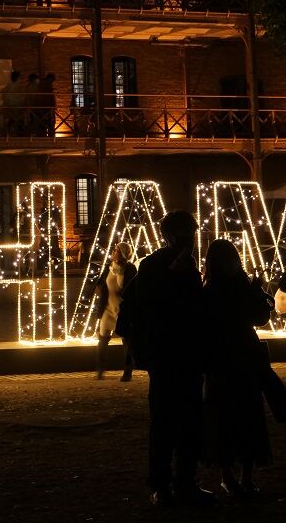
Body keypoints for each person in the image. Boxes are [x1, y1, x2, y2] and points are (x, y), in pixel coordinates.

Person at [116, 209, 213, 507]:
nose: (190, 240)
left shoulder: (182, 265)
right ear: (170, 236)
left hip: (185, 356)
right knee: (166, 423)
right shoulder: (156, 265)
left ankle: (183, 482)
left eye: (192, 233)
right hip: (168, 355)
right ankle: (163, 485)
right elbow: (148, 306)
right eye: (185, 234)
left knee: (187, 422)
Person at [201, 239, 273, 496]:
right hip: (238, 354)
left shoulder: (208, 290)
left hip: (222, 357)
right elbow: (259, 317)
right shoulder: (238, 286)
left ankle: (231, 475)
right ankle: (242, 476)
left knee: (225, 417)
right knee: (244, 415)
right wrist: (256, 292)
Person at [93, 244, 136, 381]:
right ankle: (100, 369)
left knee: (127, 341)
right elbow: (101, 281)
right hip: (108, 309)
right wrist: (98, 287)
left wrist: (120, 272)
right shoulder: (109, 266)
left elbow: (127, 287)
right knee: (103, 338)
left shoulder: (129, 268)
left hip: (122, 310)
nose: (113, 251)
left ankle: (127, 371)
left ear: (123, 253)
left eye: (116, 250)